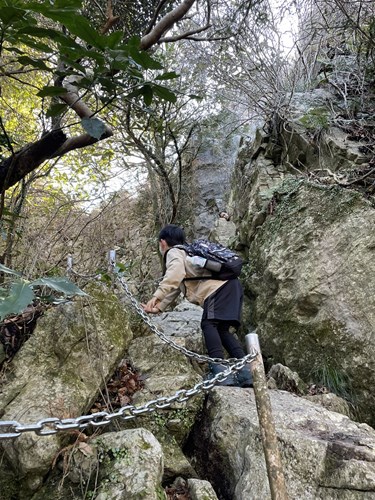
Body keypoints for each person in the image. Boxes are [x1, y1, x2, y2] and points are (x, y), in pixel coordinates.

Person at [142, 224, 252, 387]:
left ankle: (219, 372)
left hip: (218, 289)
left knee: (209, 324)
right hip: (231, 286)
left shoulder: (174, 252)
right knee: (222, 330)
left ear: (162, 242)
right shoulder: (188, 253)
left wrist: (156, 295)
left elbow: (175, 274)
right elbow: (178, 284)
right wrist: (160, 306)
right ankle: (246, 373)